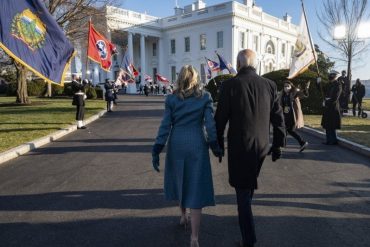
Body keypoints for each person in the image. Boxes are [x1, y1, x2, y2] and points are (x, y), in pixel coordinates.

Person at [215, 49, 286, 247]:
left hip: (240, 146)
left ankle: (248, 239)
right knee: (247, 186)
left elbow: (220, 119)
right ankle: (245, 219)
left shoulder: (230, 85)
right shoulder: (270, 85)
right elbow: (278, 118)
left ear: (238, 64)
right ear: (255, 64)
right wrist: (279, 144)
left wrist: (218, 144)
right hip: (262, 145)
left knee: (243, 192)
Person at [152, 65, 222, 247]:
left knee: (179, 179)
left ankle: (183, 215)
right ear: (196, 79)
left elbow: (165, 126)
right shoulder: (205, 97)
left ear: (179, 79)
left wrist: (157, 148)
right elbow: (210, 126)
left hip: (177, 144)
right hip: (197, 143)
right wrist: (215, 146)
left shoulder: (171, 99)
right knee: (196, 188)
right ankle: (194, 238)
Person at [280, 80, 309, 152]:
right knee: (289, 131)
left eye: (288, 86)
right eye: (285, 86)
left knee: (286, 130)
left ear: (291, 87)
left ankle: (281, 146)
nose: (286, 88)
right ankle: (302, 142)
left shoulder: (294, 93)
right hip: (285, 115)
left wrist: (306, 89)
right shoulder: (283, 94)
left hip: (292, 116)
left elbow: (303, 95)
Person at [321, 70, 342, 145]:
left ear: (336, 76)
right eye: (330, 74)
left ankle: (333, 140)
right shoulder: (329, 84)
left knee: (332, 125)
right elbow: (322, 90)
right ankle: (328, 140)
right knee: (327, 124)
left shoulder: (338, 85)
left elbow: (335, 97)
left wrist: (327, 102)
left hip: (333, 107)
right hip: (327, 107)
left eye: (332, 75)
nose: (330, 76)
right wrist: (318, 83)